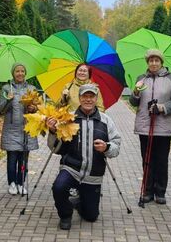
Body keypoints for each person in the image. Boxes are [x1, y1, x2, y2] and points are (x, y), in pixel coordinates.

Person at [48, 84, 121, 230]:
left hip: (93, 175)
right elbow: (54, 148)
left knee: (90, 216)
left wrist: (106, 147)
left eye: (91, 96)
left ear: (96, 98)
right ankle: (65, 214)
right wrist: (52, 131)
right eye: (85, 96)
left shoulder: (105, 120)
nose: (88, 99)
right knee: (58, 187)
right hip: (71, 168)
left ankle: (80, 201)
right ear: (79, 98)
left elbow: (116, 146)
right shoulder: (69, 119)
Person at [129, 49, 171, 204]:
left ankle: (160, 192)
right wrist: (136, 92)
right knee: (146, 159)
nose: (153, 63)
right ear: (147, 62)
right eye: (150, 60)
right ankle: (147, 191)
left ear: (161, 62)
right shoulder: (141, 79)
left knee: (161, 160)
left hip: (163, 126)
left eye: (156, 60)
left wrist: (162, 107)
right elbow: (133, 102)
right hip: (145, 125)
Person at [0, 63, 39, 195]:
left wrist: (33, 108)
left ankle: (21, 183)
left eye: (22, 71)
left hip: (26, 129)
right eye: (17, 71)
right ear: (13, 73)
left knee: (24, 159)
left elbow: (38, 109)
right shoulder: (6, 88)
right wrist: (8, 100)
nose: (20, 73)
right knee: (12, 159)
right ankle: (12, 183)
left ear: (25, 73)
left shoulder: (31, 89)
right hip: (11, 130)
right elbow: (0, 110)